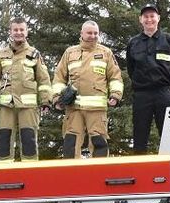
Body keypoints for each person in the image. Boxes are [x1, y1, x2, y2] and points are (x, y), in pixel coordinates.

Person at [51, 20, 123, 158]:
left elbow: (115, 77)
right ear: (82, 33)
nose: (93, 36)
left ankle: (99, 171)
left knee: (99, 144)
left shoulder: (106, 53)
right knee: (71, 144)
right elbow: (59, 78)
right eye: (89, 33)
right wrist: (57, 98)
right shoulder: (70, 52)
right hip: (74, 109)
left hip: (97, 110)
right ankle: (71, 171)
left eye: (96, 33)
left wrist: (115, 95)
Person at [0, 16, 52, 163]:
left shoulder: (34, 54)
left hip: (28, 107)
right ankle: (4, 171)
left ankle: (30, 172)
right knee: (3, 140)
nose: (19, 33)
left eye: (22, 30)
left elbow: (44, 80)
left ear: (26, 32)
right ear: (11, 32)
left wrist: (46, 101)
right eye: (15, 30)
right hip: (6, 106)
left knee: (29, 141)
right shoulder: (2, 54)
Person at [125, 3, 170, 154]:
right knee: (140, 132)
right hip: (142, 94)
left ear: (158, 18)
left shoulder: (168, 40)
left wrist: (165, 82)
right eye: (146, 17)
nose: (149, 19)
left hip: (163, 92)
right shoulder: (133, 42)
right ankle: (139, 163)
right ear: (140, 19)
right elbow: (131, 69)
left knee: (169, 132)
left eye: (152, 16)